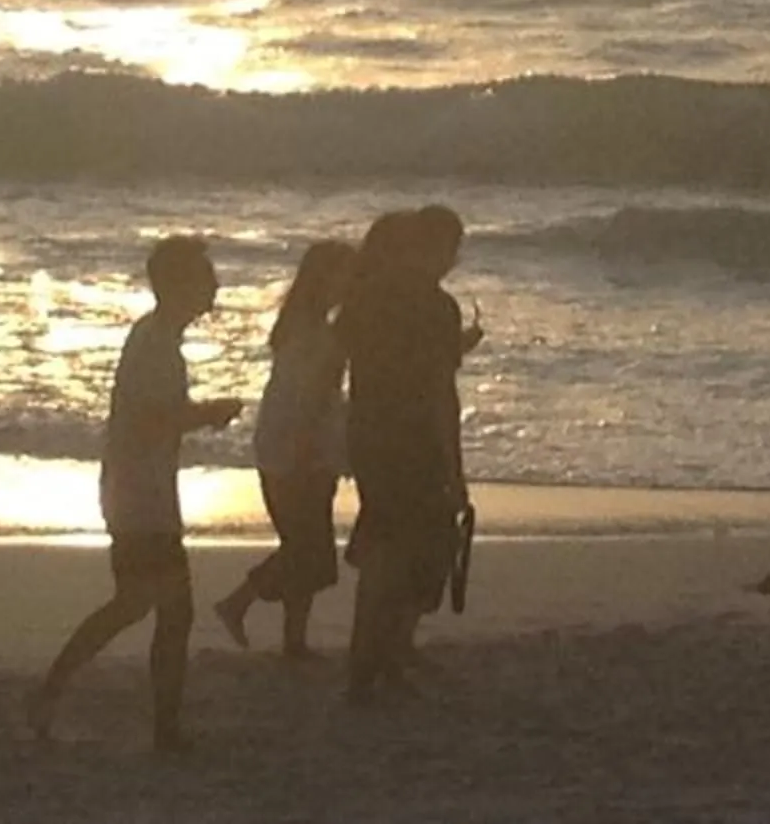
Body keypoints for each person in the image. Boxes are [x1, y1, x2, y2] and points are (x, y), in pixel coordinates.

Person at [27, 234, 244, 751]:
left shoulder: (159, 340)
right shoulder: (154, 344)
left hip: (141, 491)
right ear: (178, 285)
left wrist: (195, 417)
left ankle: (150, 722)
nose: (215, 287)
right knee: (150, 608)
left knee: (149, 607)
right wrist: (206, 413)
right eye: (204, 277)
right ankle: (80, 701)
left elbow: (154, 420)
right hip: (138, 495)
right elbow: (151, 420)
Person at [336, 206, 473, 704]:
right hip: (413, 441)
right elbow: (440, 392)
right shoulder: (437, 308)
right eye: (451, 250)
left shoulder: (363, 298)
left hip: (368, 434)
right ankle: (386, 660)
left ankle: (364, 666)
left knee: (382, 548)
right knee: (416, 552)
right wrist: (455, 469)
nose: (453, 261)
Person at [213, 238, 357, 660]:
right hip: (297, 449)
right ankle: (240, 601)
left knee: (304, 545)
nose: (350, 283)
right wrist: (311, 448)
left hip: (290, 444)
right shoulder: (315, 334)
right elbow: (310, 398)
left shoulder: (302, 326)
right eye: (344, 274)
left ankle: (293, 638)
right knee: (308, 550)